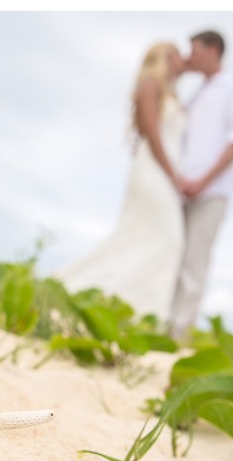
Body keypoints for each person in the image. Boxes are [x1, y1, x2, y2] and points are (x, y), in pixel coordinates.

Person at [57, 42, 187, 321]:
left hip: (164, 172)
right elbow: (152, 132)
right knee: (164, 237)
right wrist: (173, 175)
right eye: (176, 54)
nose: (182, 59)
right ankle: (79, 287)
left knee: (158, 240)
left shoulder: (171, 92)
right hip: (154, 170)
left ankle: (141, 312)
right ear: (163, 57)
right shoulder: (151, 85)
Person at [168, 30, 233, 339]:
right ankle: (165, 324)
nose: (190, 58)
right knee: (173, 257)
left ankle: (179, 334)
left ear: (213, 49)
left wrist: (203, 181)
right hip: (183, 189)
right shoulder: (197, 95)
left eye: (194, 51)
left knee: (195, 262)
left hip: (212, 190)